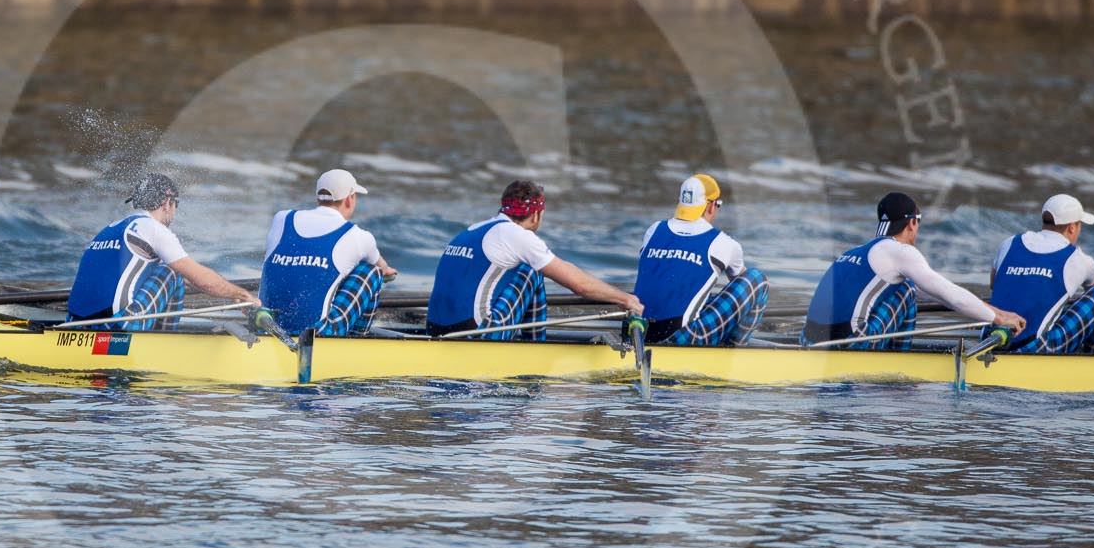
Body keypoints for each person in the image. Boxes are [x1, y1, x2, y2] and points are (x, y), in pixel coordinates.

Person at [425, 179, 642, 342]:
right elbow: (579, 284)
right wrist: (625, 299)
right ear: (536, 215)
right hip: (475, 333)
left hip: (435, 330)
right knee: (533, 271)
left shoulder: (472, 230)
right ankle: (535, 347)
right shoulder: (519, 236)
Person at [802, 192, 1024, 348]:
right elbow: (949, 295)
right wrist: (998, 320)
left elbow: (936, 293)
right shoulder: (900, 252)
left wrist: (998, 312)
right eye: (918, 222)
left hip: (809, 340)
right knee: (906, 289)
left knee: (906, 286)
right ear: (911, 223)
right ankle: (901, 363)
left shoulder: (855, 252)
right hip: (845, 343)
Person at [66, 173, 257, 329]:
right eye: (176, 206)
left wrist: (227, 292)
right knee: (173, 271)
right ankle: (163, 341)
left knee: (171, 272)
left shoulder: (109, 229)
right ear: (167, 203)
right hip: (116, 326)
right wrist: (242, 296)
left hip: (74, 324)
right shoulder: (154, 229)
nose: (174, 212)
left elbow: (191, 280)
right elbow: (201, 278)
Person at [259, 169, 399, 338]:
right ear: (349, 199)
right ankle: (358, 340)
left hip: (265, 325)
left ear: (318, 197)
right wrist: (388, 272)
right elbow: (384, 270)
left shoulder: (281, 218)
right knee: (371, 272)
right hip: (316, 335)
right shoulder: (358, 236)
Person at [632, 173, 768, 346]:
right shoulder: (723, 242)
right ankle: (735, 352)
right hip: (683, 337)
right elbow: (742, 289)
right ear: (711, 206)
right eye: (718, 205)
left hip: (638, 331)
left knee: (698, 296)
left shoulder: (653, 230)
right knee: (757, 280)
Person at [988, 194, 1094, 354]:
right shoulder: (1078, 258)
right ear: (1072, 227)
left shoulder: (1009, 243)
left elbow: (994, 285)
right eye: (1080, 225)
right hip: (1035, 347)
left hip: (990, 340)